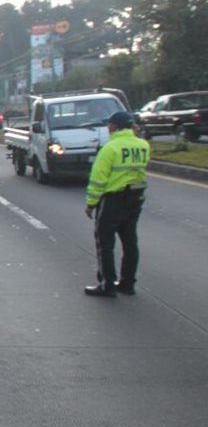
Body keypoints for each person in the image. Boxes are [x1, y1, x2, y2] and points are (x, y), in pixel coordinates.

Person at [83, 111, 150, 297]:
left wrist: (91, 204)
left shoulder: (110, 148)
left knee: (105, 244)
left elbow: (98, 179)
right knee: (130, 243)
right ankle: (128, 284)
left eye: (109, 124)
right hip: (135, 199)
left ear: (115, 126)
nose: (107, 127)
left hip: (113, 200)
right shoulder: (143, 145)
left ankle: (107, 285)